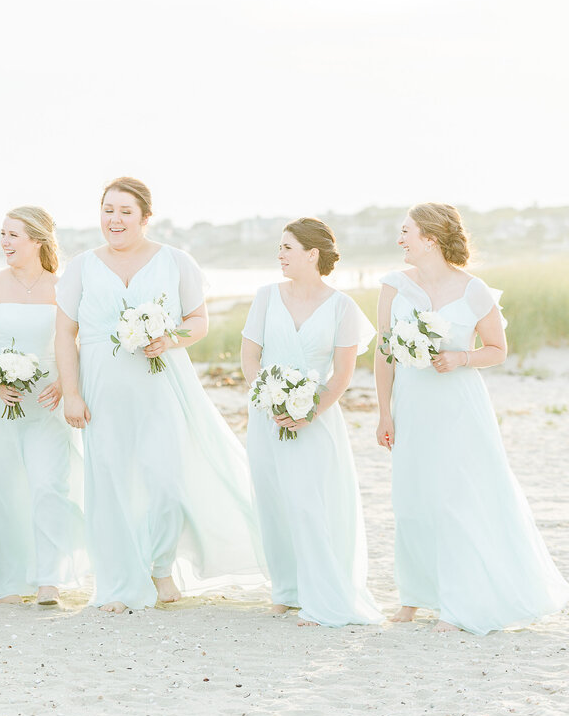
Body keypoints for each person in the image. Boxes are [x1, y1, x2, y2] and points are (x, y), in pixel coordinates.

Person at [55, 177, 264, 613]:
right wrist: (71, 393)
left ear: (146, 218)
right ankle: (116, 581)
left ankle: (161, 566)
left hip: (160, 384)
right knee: (109, 481)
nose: (114, 219)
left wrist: (169, 339)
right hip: (102, 387)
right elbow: (65, 334)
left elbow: (199, 321)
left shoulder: (176, 261)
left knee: (165, 478)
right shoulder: (80, 267)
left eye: (125, 211)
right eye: (107, 210)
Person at [375, 202, 569, 634]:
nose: (400, 239)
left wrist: (461, 357)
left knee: (454, 499)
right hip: (411, 405)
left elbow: (498, 350)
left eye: (405, 231)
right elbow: (383, 352)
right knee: (410, 500)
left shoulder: (474, 290)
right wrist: (384, 412)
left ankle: (455, 602)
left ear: (430, 238)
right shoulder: (392, 286)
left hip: (459, 408)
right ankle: (413, 597)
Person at [240, 218, 382, 627]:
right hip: (266, 415)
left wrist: (309, 411)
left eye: (287, 247)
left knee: (309, 502)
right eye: (279, 248)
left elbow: (341, 375)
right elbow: (250, 356)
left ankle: (322, 594)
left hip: (315, 420)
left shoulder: (343, 307)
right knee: (273, 501)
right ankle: (286, 591)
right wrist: (266, 394)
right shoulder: (266, 297)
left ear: (311, 254)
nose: (280, 255)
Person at [0, 206, 87, 607]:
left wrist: (65, 382)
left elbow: (79, 341)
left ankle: (49, 578)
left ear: (37, 240)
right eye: (2, 234)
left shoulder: (63, 287)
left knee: (49, 486)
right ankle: (9, 583)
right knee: (2, 491)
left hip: (47, 405)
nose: (5, 243)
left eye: (13, 235)